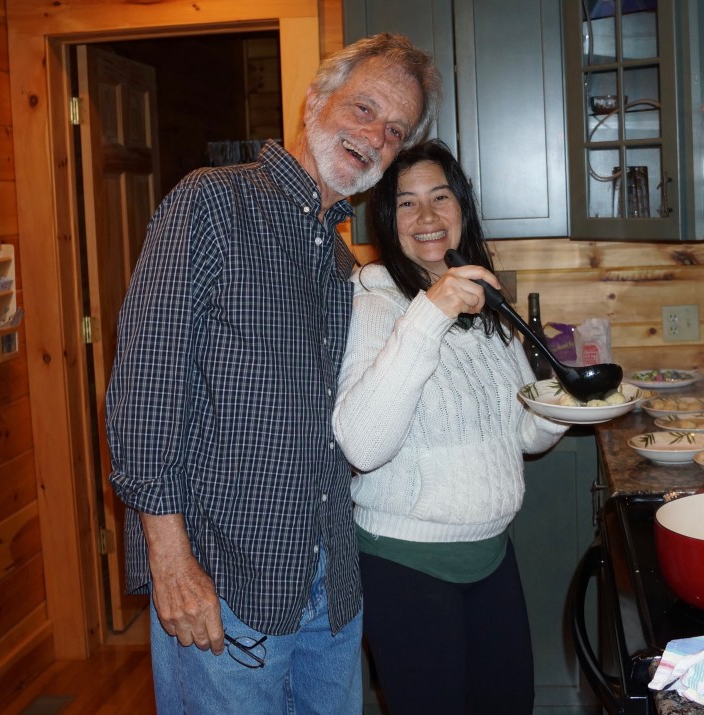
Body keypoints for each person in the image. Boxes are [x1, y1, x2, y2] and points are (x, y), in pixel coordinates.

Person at [104, 33, 441, 714]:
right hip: (226, 584)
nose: (375, 135)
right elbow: (144, 390)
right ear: (315, 99)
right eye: (364, 108)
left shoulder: (343, 263)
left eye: (394, 129)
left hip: (332, 591)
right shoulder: (210, 205)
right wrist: (169, 562)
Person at [331, 139, 570, 713]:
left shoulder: (481, 300)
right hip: (406, 564)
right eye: (407, 203)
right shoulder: (375, 302)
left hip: (490, 553)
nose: (429, 217)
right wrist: (430, 312)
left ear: (462, 206)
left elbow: (520, 433)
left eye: (440, 196)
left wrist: (565, 404)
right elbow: (362, 445)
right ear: (388, 219)